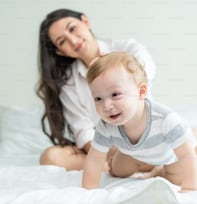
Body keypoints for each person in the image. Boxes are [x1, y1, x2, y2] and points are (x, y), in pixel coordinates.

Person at [36, 8, 157, 170]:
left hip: (144, 136)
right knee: (50, 157)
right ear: (60, 52)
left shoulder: (129, 48)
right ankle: (126, 165)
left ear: (85, 21)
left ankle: (129, 165)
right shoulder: (68, 83)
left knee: (195, 139)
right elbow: (83, 131)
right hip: (106, 147)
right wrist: (107, 152)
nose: (72, 40)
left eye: (72, 28)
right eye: (62, 41)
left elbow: (142, 81)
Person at [82, 52, 197, 192]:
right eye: (98, 99)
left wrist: (190, 188)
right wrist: (88, 191)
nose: (106, 106)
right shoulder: (105, 125)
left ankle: (159, 171)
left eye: (115, 94)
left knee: (174, 178)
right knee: (116, 172)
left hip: (169, 154)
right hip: (132, 154)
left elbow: (186, 155)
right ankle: (142, 164)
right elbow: (94, 160)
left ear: (141, 92)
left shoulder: (166, 120)